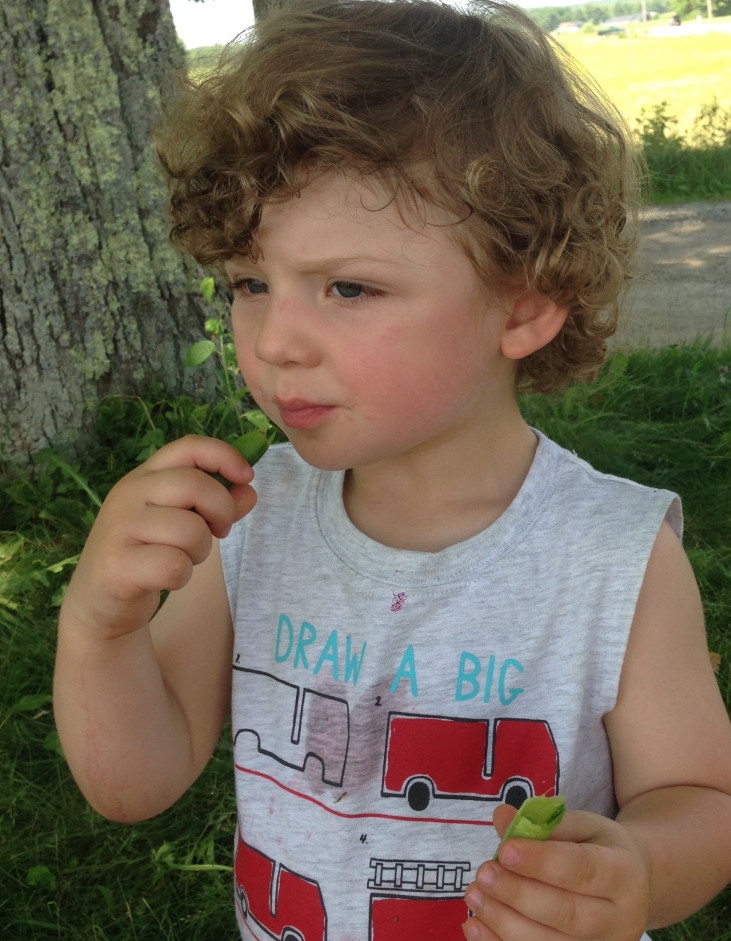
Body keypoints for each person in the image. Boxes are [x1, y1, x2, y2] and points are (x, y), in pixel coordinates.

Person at [54, 2, 731, 939]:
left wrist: (641, 871)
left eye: (348, 288)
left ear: (524, 306)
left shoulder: (612, 560)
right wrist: (101, 626)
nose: (275, 340)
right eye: (250, 283)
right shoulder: (254, 520)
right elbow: (133, 782)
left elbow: (700, 794)